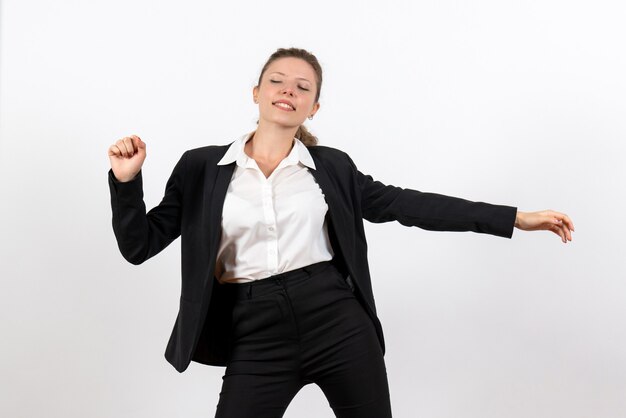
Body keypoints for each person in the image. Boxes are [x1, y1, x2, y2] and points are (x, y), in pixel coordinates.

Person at [107, 47, 574, 418]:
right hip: (253, 332)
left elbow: (405, 204)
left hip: (336, 321)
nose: (288, 90)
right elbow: (139, 245)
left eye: (302, 86)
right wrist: (126, 181)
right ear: (255, 93)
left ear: (314, 105)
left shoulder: (331, 167)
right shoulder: (201, 167)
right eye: (277, 81)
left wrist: (513, 217)